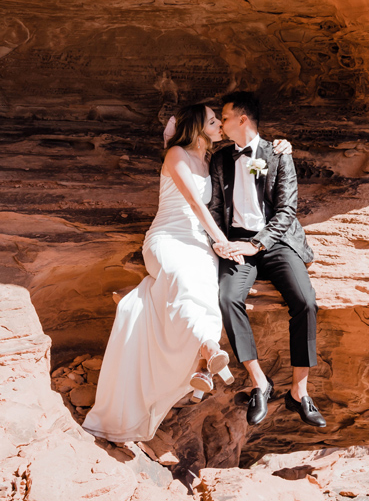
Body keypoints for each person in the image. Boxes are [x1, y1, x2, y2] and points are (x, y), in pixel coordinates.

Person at [82, 103, 291, 444]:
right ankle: (208, 351)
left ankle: (202, 361)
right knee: (182, 280)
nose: (219, 125)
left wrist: (281, 147)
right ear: (197, 127)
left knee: (208, 289)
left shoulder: (214, 159)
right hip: (168, 237)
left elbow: (251, 160)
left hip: (199, 243)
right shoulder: (176, 154)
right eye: (213, 121)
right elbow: (195, 204)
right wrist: (222, 242)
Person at [208, 91, 326, 428]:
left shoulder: (277, 154)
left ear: (242, 119)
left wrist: (257, 245)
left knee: (305, 302)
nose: (221, 122)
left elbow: (288, 210)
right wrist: (222, 242)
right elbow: (216, 209)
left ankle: (299, 391)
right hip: (236, 242)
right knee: (228, 298)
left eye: (225, 116)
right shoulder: (219, 161)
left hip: (275, 242)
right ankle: (260, 381)